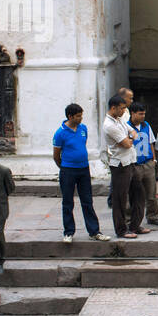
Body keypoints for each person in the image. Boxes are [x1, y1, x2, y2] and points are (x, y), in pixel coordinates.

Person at [53, 103, 108, 243]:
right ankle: (69, 232)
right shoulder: (60, 133)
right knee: (68, 202)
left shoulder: (83, 128)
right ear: (70, 116)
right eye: (78, 116)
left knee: (87, 201)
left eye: (81, 115)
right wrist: (65, 166)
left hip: (83, 169)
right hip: (68, 170)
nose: (81, 118)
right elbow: (56, 155)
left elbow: (82, 145)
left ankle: (94, 231)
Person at [102, 94, 145, 239]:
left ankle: (135, 225)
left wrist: (130, 136)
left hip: (131, 161)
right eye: (121, 108)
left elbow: (133, 133)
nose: (123, 111)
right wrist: (130, 137)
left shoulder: (119, 119)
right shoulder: (109, 125)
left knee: (138, 194)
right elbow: (126, 143)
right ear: (113, 108)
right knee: (120, 199)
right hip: (120, 164)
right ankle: (121, 229)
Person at [127, 103, 158, 227]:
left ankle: (152, 216)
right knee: (134, 195)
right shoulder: (126, 127)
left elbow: (151, 142)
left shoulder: (146, 125)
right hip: (134, 164)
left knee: (151, 194)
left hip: (148, 163)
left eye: (144, 114)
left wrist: (154, 159)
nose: (143, 116)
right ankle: (130, 219)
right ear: (133, 113)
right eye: (140, 114)